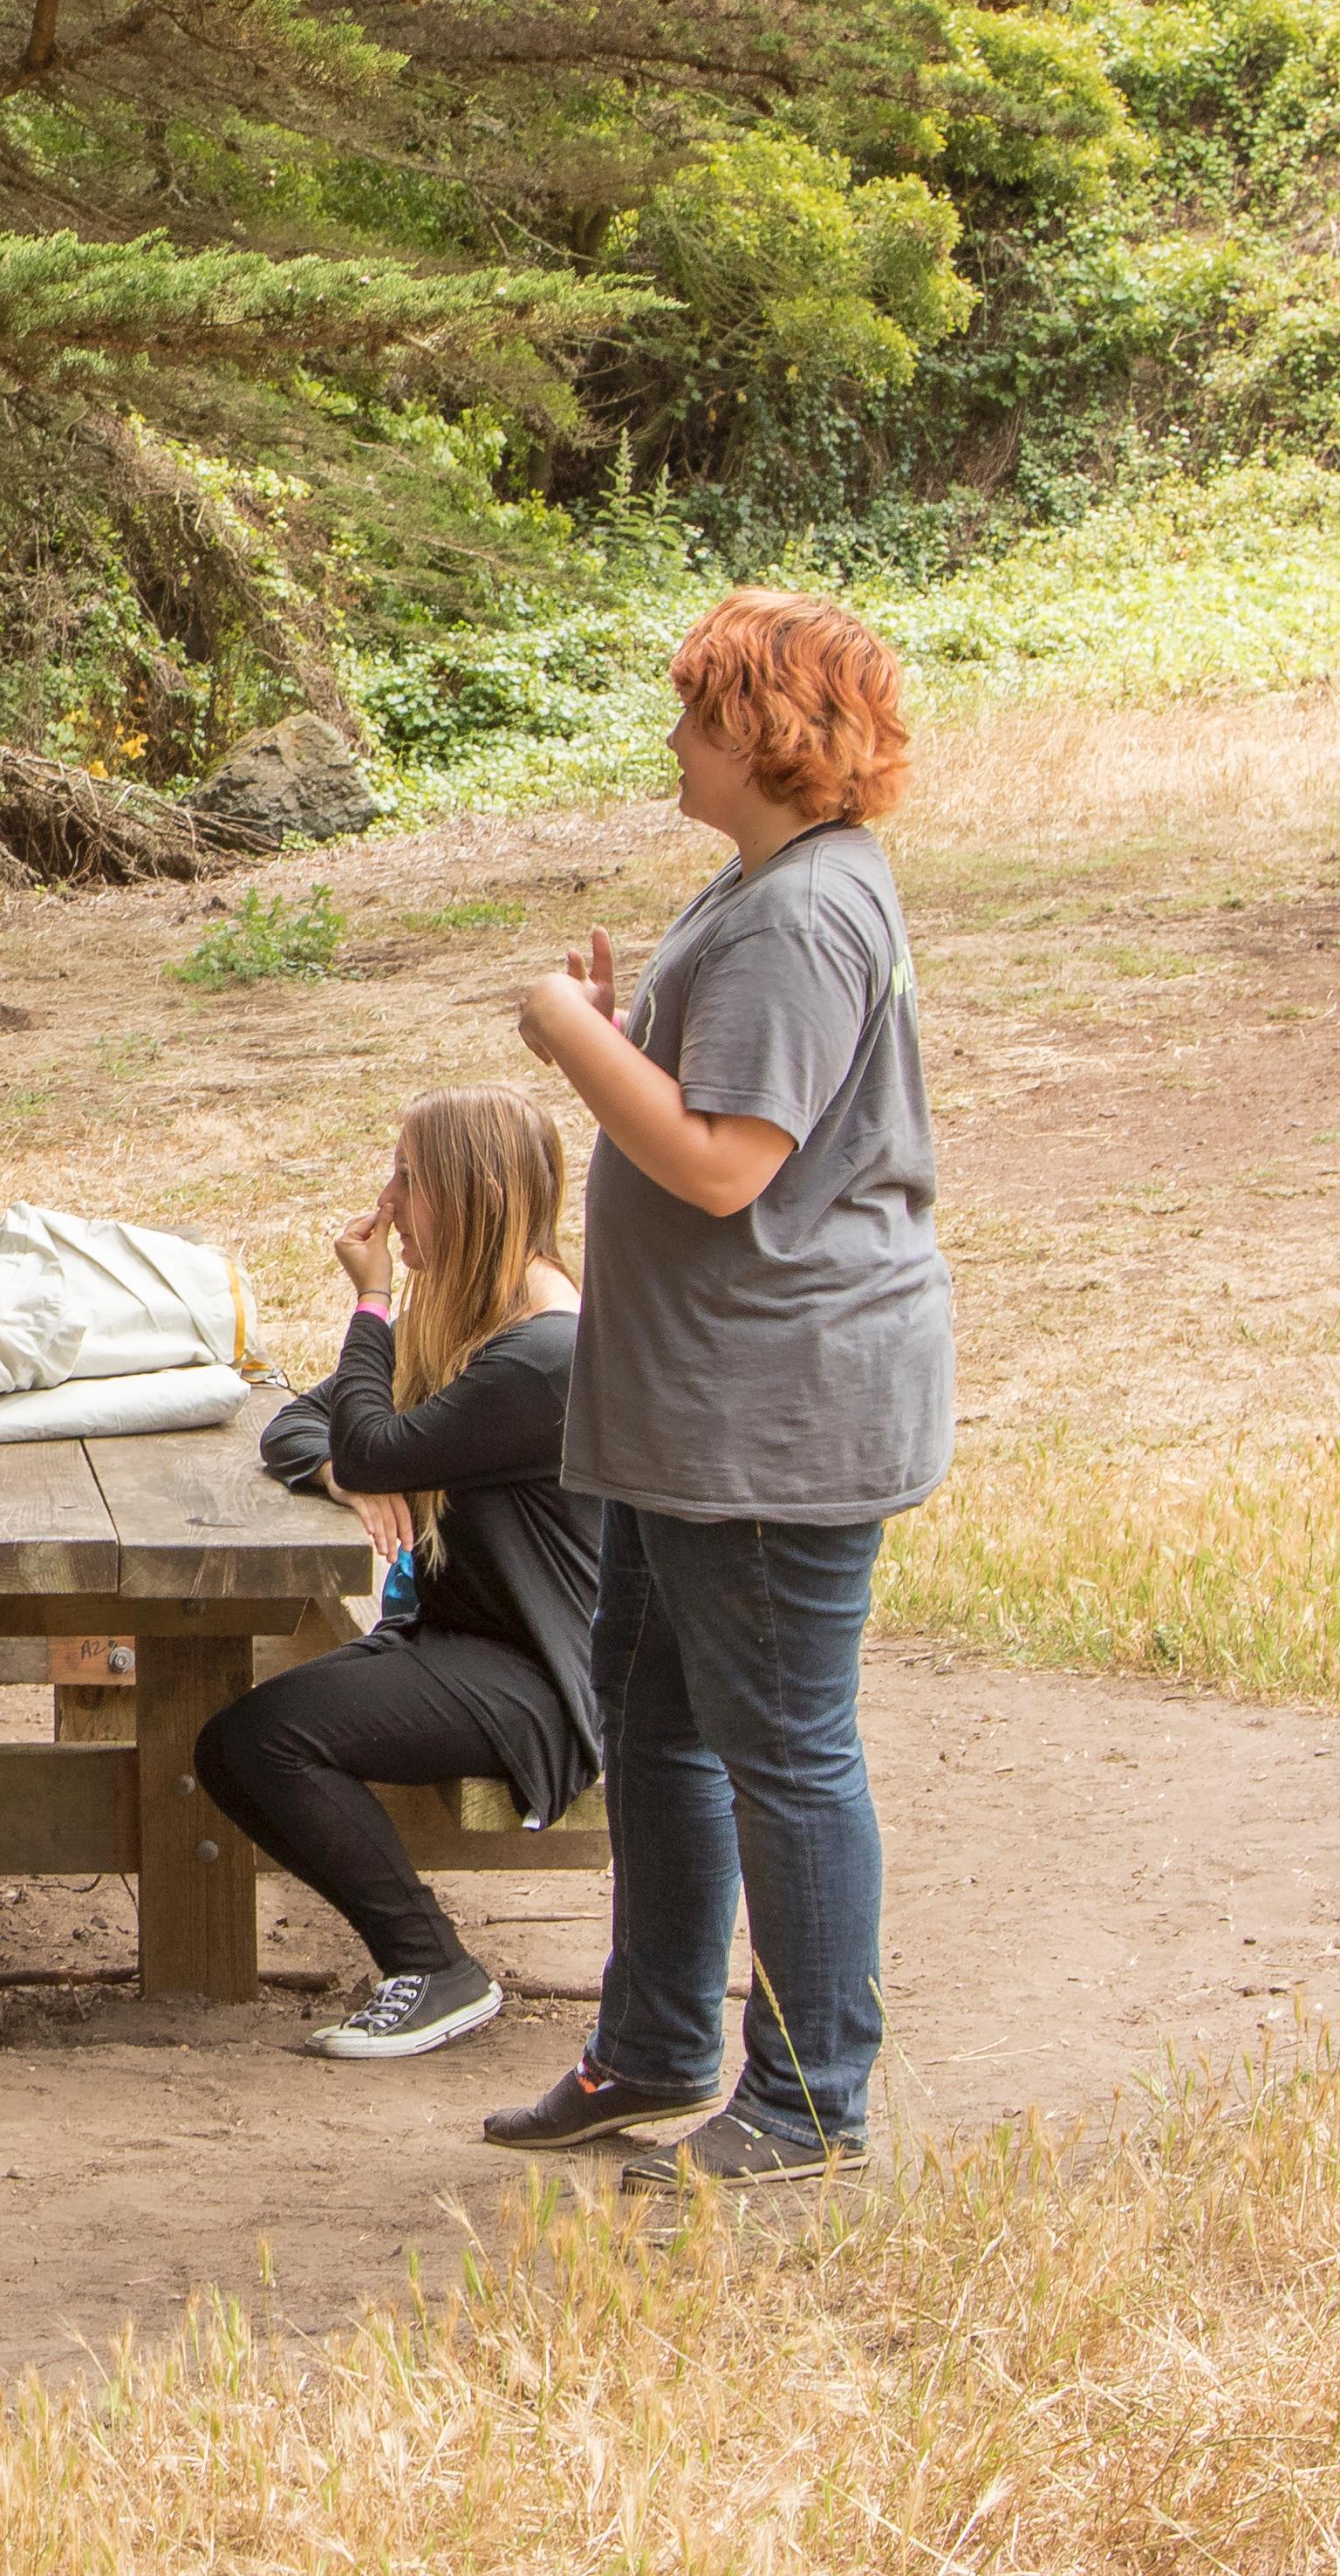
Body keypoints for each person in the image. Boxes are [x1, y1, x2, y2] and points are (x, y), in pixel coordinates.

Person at [489, 587, 950, 2190]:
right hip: (697, 1414)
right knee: (661, 1723)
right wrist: (626, 1033)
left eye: (696, 715)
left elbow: (718, 1162)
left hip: (774, 1417)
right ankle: (657, 2043)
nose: (674, 741)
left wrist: (567, 1038)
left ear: (762, 737)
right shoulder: (768, 883)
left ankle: (812, 2094)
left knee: (782, 1745)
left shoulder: (800, 912)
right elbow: (727, 1096)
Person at [194, 1086, 599, 2061]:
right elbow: (302, 1420)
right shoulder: (465, 1318)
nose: (387, 1199)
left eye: (408, 1177)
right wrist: (346, 1470)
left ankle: (434, 1968)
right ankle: (430, 1963)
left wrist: (369, 1305)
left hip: (543, 1678)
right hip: (461, 1641)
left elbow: (376, 1439)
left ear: (470, 1191)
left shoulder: (542, 1356)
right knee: (251, 1733)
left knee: (260, 1741)